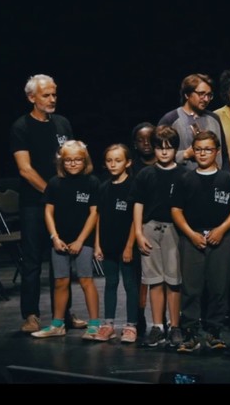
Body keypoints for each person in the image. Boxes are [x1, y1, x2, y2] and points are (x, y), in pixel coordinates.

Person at [10, 74, 85, 333]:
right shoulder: (21, 127)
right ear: (32, 97)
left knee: (61, 259)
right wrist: (52, 194)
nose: (52, 99)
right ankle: (30, 315)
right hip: (34, 204)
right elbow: (25, 170)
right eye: (46, 95)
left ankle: (62, 314)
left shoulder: (62, 123)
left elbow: (74, 159)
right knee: (32, 260)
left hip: (60, 205)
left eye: (54, 94)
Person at [171, 131, 230, 352]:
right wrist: (190, 234)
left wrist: (221, 230)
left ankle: (214, 331)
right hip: (192, 237)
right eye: (199, 149)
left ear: (217, 151)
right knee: (191, 287)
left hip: (220, 237)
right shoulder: (185, 179)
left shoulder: (227, 179)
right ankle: (190, 333)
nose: (203, 153)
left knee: (218, 287)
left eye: (208, 149)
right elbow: (176, 211)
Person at [32, 141, 101, 339]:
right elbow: (48, 211)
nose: (72, 164)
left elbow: (94, 213)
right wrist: (54, 237)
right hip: (60, 240)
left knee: (86, 280)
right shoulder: (54, 183)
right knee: (61, 281)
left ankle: (94, 324)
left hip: (83, 240)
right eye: (68, 160)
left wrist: (80, 240)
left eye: (77, 160)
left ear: (84, 160)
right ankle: (57, 324)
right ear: (62, 161)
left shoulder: (92, 182)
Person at [130, 125, 186, 348]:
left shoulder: (183, 174)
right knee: (154, 281)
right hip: (150, 230)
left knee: (174, 281)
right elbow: (138, 204)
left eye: (169, 148)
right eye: (159, 148)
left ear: (175, 149)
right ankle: (157, 326)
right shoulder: (145, 174)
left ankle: (175, 325)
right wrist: (137, 232)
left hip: (175, 230)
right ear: (153, 149)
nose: (164, 152)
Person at [93, 144, 139, 343]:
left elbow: (134, 220)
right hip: (107, 244)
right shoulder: (103, 187)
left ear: (128, 162)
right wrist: (97, 245)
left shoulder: (133, 186)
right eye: (109, 160)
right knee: (110, 283)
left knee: (130, 284)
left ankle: (131, 326)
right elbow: (99, 217)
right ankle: (108, 324)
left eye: (118, 160)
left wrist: (129, 246)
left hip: (127, 246)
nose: (113, 164)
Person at [159, 74, 228, 171]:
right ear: (187, 94)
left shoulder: (214, 119)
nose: (206, 99)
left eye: (209, 95)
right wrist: (185, 154)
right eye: (201, 94)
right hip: (182, 180)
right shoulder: (171, 119)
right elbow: (159, 153)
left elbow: (224, 155)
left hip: (213, 179)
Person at [130, 122, 156, 337]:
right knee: (140, 278)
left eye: (150, 138)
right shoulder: (131, 169)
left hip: (163, 228)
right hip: (138, 227)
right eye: (141, 139)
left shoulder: (165, 164)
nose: (146, 143)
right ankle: (139, 316)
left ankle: (166, 320)